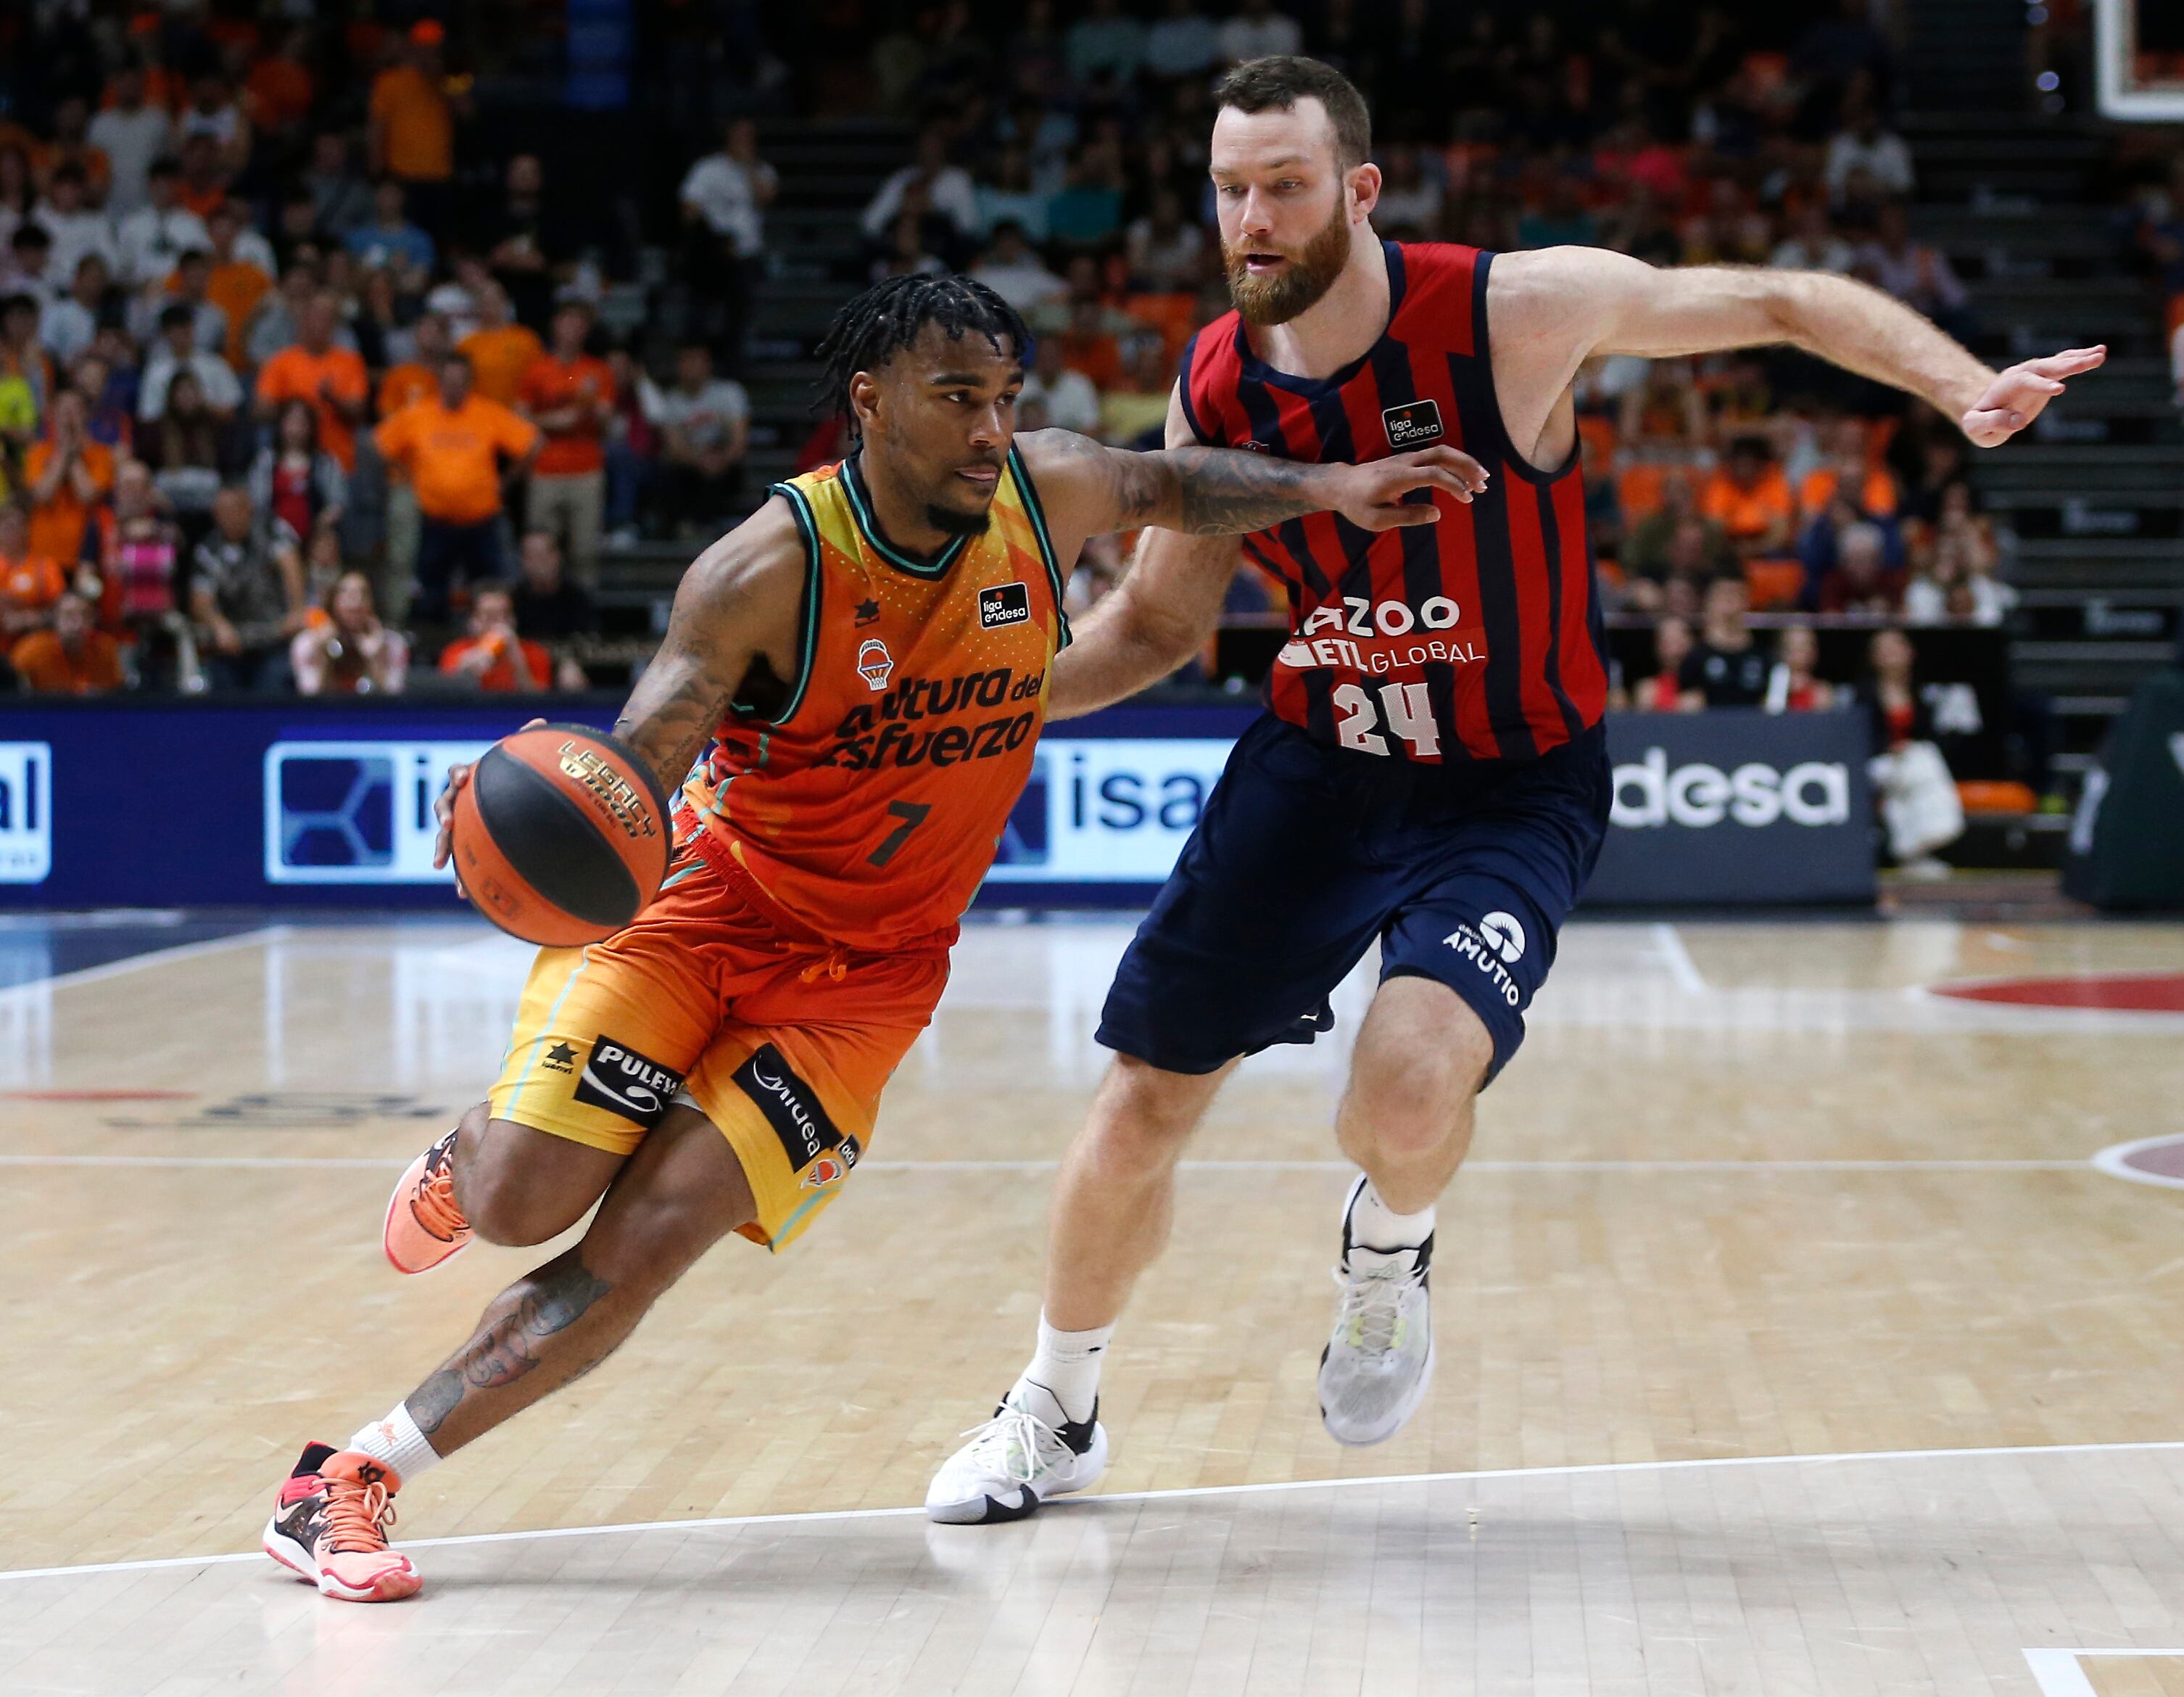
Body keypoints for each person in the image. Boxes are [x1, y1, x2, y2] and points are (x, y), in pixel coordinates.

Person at [925, 54, 2101, 1523]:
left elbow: (1783, 299)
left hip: (1510, 781)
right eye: (1229, 190)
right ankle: (1059, 1405)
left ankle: (1387, 1250)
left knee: (1408, 1091)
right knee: (1137, 1107)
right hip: (1320, 764)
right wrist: (966, 703)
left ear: (1357, 189)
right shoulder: (1215, 383)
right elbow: (1159, 628)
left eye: (1284, 185)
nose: (1252, 219)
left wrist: (1959, 386)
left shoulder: (1511, 313)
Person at [260, 270, 1479, 1603]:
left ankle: (351, 1478)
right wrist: (539, 805)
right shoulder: (764, 570)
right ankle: (469, 1153)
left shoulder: (1044, 486)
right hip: (705, 913)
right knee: (518, 1203)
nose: (987, 429)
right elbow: (644, 758)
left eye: (1003, 399)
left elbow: (1170, 488)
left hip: (868, 985)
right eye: (956, 398)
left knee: (653, 1241)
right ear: (868, 401)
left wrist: (1330, 488)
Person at [372, 352, 541, 624]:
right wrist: (409, 475)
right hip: (435, 519)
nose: (454, 387)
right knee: (431, 590)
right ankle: (433, 650)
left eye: (460, 381)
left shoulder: (487, 412)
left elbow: (531, 443)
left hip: (481, 518)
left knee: (488, 587)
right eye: (448, 380)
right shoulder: (420, 413)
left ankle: (492, 642)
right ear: (439, 381)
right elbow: (381, 443)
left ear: (470, 382)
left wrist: (507, 481)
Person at [518, 301, 613, 585]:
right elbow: (520, 420)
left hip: (586, 470)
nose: (572, 329)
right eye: (566, 322)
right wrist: (556, 420)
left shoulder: (598, 371)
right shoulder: (537, 371)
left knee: (584, 551)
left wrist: (591, 405)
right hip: (545, 470)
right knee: (540, 548)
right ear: (555, 326)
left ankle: (582, 619)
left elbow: (607, 422)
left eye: (578, 324)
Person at [191, 483, 305, 693]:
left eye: (236, 509)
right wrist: (218, 625)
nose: (230, 516)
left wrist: (297, 610)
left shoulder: (271, 531)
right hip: (232, 646)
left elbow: (291, 566)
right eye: (223, 511)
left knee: (276, 687)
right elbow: (200, 600)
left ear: (248, 508)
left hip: (275, 638)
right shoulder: (208, 550)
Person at [254, 292, 369, 473]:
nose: (319, 325)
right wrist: (296, 409)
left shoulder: (350, 361)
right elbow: (261, 410)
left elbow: (358, 412)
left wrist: (332, 399)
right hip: (291, 465)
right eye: (314, 318)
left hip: (337, 461)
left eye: (325, 319)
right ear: (303, 323)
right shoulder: (281, 362)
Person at [648, 342, 750, 537]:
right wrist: (700, 461)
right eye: (687, 361)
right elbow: (674, 446)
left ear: (708, 364)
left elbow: (739, 442)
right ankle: (680, 528)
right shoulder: (671, 400)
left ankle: (709, 528)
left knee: (721, 476)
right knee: (670, 472)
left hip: (723, 461)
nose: (692, 368)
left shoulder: (729, 393)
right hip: (690, 464)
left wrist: (720, 459)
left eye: (697, 361)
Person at [25, 389, 115, 568]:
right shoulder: (37, 453)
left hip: (88, 552)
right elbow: (42, 494)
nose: (68, 418)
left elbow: (87, 495)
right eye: (63, 411)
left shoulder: (101, 454)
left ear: (86, 416)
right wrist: (64, 452)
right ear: (52, 417)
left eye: (74, 411)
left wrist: (72, 455)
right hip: (45, 552)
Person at [292, 569, 407, 696]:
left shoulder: (393, 644)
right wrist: (324, 654)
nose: (356, 602)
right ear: (332, 600)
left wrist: (375, 660)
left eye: (363, 594)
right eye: (347, 594)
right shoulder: (306, 643)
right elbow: (309, 704)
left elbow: (395, 707)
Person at [433, 581, 550, 693]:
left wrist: (517, 660)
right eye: (489, 616)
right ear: (474, 621)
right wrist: (465, 671)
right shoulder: (455, 652)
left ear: (513, 619)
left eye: (504, 615)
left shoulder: (535, 653)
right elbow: (444, 701)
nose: (498, 624)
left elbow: (541, 705)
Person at [1677, 574, 1771, 709]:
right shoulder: (1695, 658)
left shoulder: (1764, 656)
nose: (1730, 602)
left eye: (1736, 595)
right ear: (1710, 602)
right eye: (1723, 595)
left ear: (1747, 600)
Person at [11, 589, 121, 693]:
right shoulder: (31, 650)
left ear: (93, 620)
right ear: (56, 619)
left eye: (85, 615)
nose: (78, 623)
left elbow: (116, 694)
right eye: (69, 615)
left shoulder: (106, 649)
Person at [0, 503, 65, 639]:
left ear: (27, 530)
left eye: (14, 526)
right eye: (4, 526)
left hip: (31, 637)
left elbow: (59, 609)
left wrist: (30, 618)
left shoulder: (44, 567)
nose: (9, 531)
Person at [1632, 614, 1692, 712]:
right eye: (1667, 642)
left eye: (1678, 642)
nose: (1674, 649)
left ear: (1691, 643)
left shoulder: (1702, 687)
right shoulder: (1647, 688)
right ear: (1657, 646)